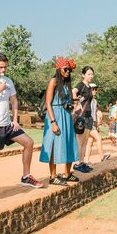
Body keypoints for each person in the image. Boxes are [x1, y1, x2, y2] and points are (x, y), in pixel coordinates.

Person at [0, 53, 44, 196]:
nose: (3, 70)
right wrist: (0, 90)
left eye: (5, 67)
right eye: (0, 67)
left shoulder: (8, 81)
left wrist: (15, 120)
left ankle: (26, 176)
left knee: (29, 142)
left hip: (8, 124)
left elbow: (14, 101)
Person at [40, 56, 78, 185]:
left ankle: (67, 174)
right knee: (53, 144)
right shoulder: (54, 81)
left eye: (69, 70)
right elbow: (48, 103)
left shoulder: (66, 84)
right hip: (55, 115)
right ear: (59, 69)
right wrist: (53, 122)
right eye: (65, 69)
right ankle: (52, 176)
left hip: (66, 115)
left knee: (69, 143)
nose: (68, 72)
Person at [84, 83, 110, 164]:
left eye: (95, 89)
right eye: (93, 89)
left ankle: (86, 160)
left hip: (93, 123)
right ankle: (102, 157)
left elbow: (94, 113)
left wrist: (97, 124)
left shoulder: (94, 101)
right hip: (88, 122)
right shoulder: (86, 99)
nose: (94, 90)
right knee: (98, 138)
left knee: (90, 142)